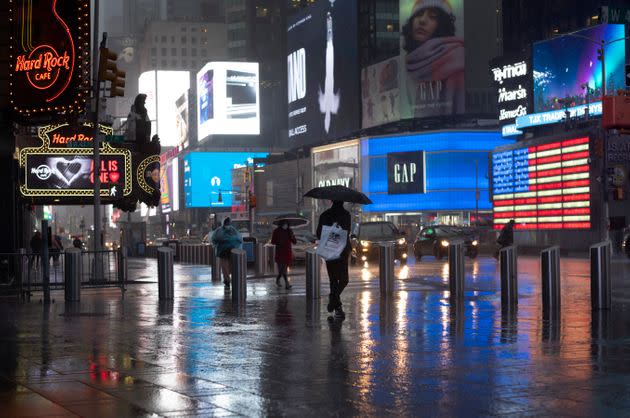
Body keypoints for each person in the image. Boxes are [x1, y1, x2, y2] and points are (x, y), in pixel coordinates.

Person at [401, 0, 465, 117]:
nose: (422, 20)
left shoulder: (456, 58)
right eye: (418, 15)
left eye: (432, 17)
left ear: (442, 24)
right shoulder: (409, 64)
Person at [316, 200, 351, 319]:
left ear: (332, 201)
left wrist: (330, 231)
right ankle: (335, 304)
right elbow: (347, 232)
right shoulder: (346, 215)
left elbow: (318, 233)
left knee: (333, 280)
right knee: (344, 279)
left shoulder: (324, 215)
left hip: (329, 250)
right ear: (343, 201)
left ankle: (334, 302)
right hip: (342, 250)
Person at [211, 217, 243, 288]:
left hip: (223, 251)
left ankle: (227, 280)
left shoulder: (219, 230)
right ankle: (232, 278)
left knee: (224, 266)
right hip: (233, 250)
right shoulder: (234, 230)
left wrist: (217, 244)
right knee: (232, 266)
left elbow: (214, 239)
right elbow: (240, 239)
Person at [271, 220, 297, 290]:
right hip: (279, 252)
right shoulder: (276, 231)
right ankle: (287, 284)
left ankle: (278, 280)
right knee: (282, 269)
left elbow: (294, 242)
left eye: (286, 224)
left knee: (283, 269)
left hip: (287, 252)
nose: (285, 226)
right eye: (284, 224)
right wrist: (279, 241)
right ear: (281, 224)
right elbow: (273, 242)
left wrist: (292, 236)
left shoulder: (289, 231)